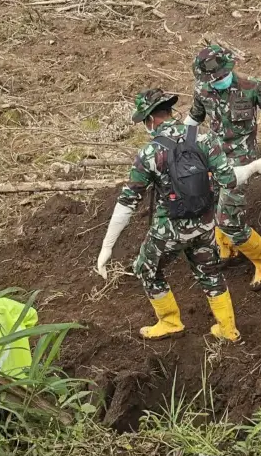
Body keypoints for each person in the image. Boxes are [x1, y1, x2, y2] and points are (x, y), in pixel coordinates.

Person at [95, 88, 252, 341]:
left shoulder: (149, 154)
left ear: (149, 120)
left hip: (169, 231)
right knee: (210, 272)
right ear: (169, 111)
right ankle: (228, 329)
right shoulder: (204, 139)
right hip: (204, 224)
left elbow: (127, 203)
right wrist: (255, 167)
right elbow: (229, 180)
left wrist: (107, 246)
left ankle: (170, 322)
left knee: (146, 270)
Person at [186, 44, 261, 290]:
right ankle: (228, 249)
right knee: (211, 204)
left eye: (219, 77)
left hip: (242, 159)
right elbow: (194, 119)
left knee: (227, 218)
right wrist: (183, 146)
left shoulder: (251, 86)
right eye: (211, 79)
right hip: (213, 156)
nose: (215, 82)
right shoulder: (202, 89)